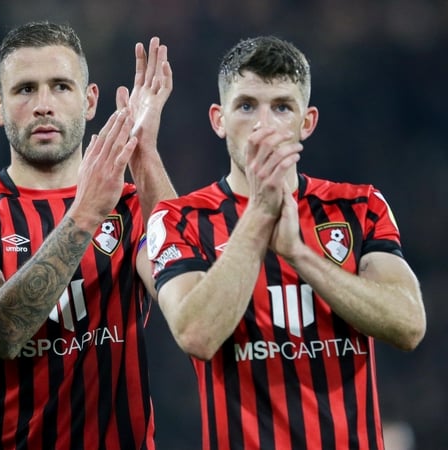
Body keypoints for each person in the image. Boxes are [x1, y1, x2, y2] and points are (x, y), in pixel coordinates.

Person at [146, 35, 427, 450]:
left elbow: (409, 325)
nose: (263, 125)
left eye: (281, 107)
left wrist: (299, 254)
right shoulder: (181, 219)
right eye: (246, 106)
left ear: (306, 122)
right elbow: (196, 335)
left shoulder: (358, 207)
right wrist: (259, 215)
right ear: (218, 119)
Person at [0, 21, 175, 449]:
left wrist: (146, 157)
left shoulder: (130, 207)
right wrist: (85, 214)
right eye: (25, 89)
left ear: (89, 100)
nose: (44, 105)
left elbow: (188, 301)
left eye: (60, 86)